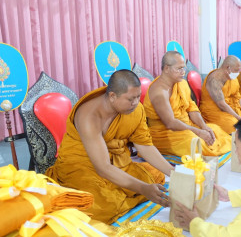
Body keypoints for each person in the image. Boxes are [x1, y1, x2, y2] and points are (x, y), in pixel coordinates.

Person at [46, 70, 174, 224]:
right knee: (101, 206)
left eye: (137, 97)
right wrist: (143, 189)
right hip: (82, 166)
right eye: (130, 99)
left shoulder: (136, 110)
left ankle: (127, 190)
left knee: (155, 176)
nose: (136, 103)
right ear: (112, 96)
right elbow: (103, 167)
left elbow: (144, 146)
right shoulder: (89, 115)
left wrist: (174, 172)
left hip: (116, 161)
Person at [143, 51, 231, 157]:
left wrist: (203, 127)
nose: (183, 72)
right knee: (194, 141)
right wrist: (197, 132)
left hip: (185, 126)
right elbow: (170, 123)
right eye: (179, 69)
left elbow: (191, 107)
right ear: (166, 68)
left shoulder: (182, 83)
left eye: (183, 68)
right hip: (164, 133)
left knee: (214, 129)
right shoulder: (159, 92)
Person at [199, 55, 241, 134]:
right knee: (235, 125)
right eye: (237, 69)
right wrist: (238, 118)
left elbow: (237, 97)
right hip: (215, 112)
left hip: (231, 109)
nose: (239, 72)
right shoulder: (214, 80)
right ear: (227, 68)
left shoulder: (231, 78)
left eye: (240, 68)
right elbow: (221, 104)